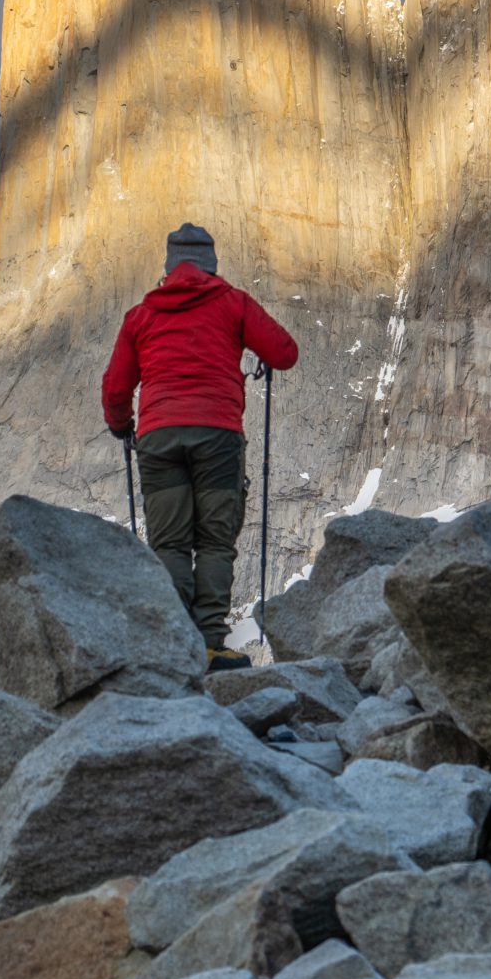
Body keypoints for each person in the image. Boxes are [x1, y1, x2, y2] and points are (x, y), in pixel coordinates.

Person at [102, 222, 298, 670]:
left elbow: (116, 386)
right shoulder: (233, 304)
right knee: (214, 541)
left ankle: (176, 645)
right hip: (218, 435)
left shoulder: (141, 316)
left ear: (169, 268)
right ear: (212, 265)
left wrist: (121, 425)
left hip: (159, 437)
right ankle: (210, 642)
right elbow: (285, 352)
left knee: (169, 543)